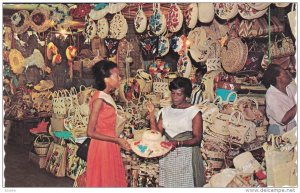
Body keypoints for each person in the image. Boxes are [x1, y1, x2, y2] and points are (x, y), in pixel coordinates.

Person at [146, 77, 205, 187]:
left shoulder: (194, 112)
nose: (175, 97)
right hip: (168, 157)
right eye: (173, 93)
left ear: (186, 95)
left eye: (179, 94)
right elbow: (157, 134)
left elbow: (197, 139)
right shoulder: (165, 111)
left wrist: (178, 143)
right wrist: (152, 115)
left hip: (185, 158)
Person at [86, 60, 131, 187]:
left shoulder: (106, 96)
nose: (119, 78)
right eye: (116, 75)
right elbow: (90, 132)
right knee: (104, 182)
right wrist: (116, 140)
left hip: (110, 144)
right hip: (102, 147)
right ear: (106, 79)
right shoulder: (100, 99)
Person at [262, 64, 297, 135]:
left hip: (292, 129)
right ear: (278, 78)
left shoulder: (289, 87)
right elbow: (284, 119)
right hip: (279, 133)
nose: (288, 73)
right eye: (284, 72)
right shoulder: (271, 95)